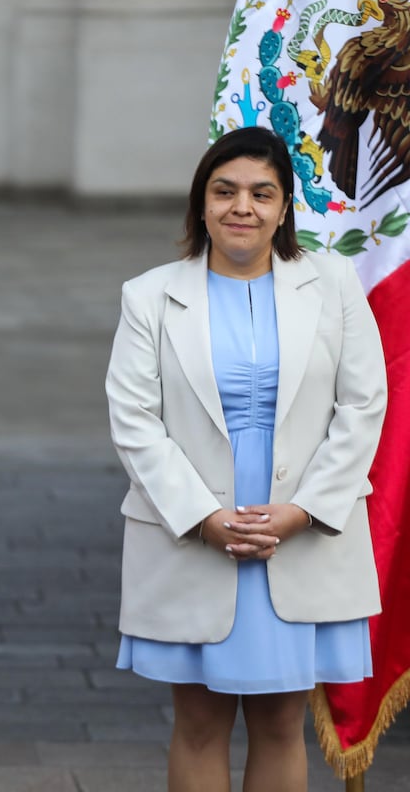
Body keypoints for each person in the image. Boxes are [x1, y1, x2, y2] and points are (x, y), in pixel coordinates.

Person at [105, 126, 387, 791]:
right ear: (200, 204)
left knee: (281, 724)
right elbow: (134, 421)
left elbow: (364, 404)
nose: (243, 207)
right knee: (199, 723)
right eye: (225, 191)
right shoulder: (148, 296)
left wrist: (302, 511)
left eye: (262, 194)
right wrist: (203, 517)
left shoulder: (334, 283)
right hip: (193, 533)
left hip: (300, 534)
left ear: (285, 207)